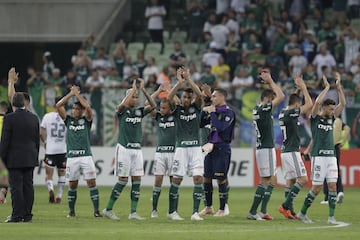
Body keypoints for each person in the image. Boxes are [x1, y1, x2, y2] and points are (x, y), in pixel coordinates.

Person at [102, 78, 156, 221]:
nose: (136, 98)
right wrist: (131, 90)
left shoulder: (139, 112)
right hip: (124, 149)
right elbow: (122, 105)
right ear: (127, 98)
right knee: (123, 180)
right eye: (133, 96)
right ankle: (108, 209)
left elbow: (153, 105)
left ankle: (133, 213)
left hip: (137, 150)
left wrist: (143, 90)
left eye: (137, 96)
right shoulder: (121, 111)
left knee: (137, 181)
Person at [297, 73, 346, 224]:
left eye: (333, 109)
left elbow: (342, 105)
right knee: (317, 188)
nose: (332, 112)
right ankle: (302, 213)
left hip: (331, 157)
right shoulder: (315, 118)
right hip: (318, 157)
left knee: (332, 186)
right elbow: (317, 102)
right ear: (324, 108)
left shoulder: (332, 118)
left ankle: (331, 217)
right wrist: (326, 88)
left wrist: (338, 88)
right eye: (330, 109)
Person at [55, 85, 101, 218]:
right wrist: (71, 94)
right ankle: (71, 211)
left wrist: (77, 95)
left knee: (91, 183)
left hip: (86, 157)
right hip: (72, 158)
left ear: (81, 111)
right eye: (73, 108)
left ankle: (96, 211)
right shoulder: (68, 121)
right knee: (73, 184)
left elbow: (88, 107)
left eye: (77, 109)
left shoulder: (86, 121)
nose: (74, 111)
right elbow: (58, 106)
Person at [247, 68, 285, 221]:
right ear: (268, 100)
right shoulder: (263, 108)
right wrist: (270, 81)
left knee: (272, 180)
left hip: (264, 147)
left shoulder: (258, 109)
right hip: (266, 148)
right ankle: (252, 211)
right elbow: (281, 96)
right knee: (265, 181)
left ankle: (262, 210)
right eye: (271, 100)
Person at [167, 67, 204, 221]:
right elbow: (169, 97)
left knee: (198, 179)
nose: (185, 100)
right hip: (181, 148)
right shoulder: (177, 110)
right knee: (177, 179)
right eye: (184, 97)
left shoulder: (196, 108)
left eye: (188, 98)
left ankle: (195, 213)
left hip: (196, 149)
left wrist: (189, 80)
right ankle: (172, 212)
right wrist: (179, 82)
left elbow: (200, 95)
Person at [0, 92, 40, 222]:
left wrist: (2, 158)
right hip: (30, 156)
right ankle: (27, 216)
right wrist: (35, 156)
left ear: (12, 104)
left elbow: (5, 141)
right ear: (24, 103)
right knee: (28, 186)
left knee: (16, 187)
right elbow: (36, 141)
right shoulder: (34, 118)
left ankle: (17, 215)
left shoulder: (9, 118)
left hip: (14, 158)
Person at [277, 75, 313, 219]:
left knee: (291, 181)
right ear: (297, 105)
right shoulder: (292, 112)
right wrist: (304, 87)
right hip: (292, 151)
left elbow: (294, 101)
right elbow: (309, 104)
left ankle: (290, 212)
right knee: (303, 179)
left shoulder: (284, 112)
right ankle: (285, 205)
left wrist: (297, 90)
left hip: (285, 151)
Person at [198, 88, 235, 217]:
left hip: (222, 147)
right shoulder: (214, 110)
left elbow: (221, 128)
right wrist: (205, 109)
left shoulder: (229, 112)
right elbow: (201, 123)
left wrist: (212, 112)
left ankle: (222, 209)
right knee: (207, 177)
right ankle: (208, 207)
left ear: (221, 97)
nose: (212, 99)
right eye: (212, 96)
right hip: (210, 147)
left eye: (214, 97)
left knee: (221, 178)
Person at [148, 84, 182, 220]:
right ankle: (154, 210)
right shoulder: (158, 117)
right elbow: (148, 102)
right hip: (160, 153)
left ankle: (172, 211)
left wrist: (169, 91)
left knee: (174, 182)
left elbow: (178, 101)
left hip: (174, 153)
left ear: (170, 108)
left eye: (164, 108)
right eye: (160, 108)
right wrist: (159, 91)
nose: (161, 110)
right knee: (158, 181)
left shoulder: (176, 116)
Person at [40, 97, 67, 204]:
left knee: (49, 175)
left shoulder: (47, 117)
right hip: (62, 150)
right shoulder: (66, 117)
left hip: (50, 150)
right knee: (62, 174)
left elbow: (41, 132)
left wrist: (45, 142)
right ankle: (59, 196)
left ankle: (51, 189)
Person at [320, 117, 350, 204]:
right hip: (336, 147)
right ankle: (340, 191)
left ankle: (327, 197)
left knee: (327, 171)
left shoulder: (325, 120)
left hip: (327, 147)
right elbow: (347, 128)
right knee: (335, 169)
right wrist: (344, 141)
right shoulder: (338, 121)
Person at [0, 101, 9, 204]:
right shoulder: (9, 120)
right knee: (6, 173)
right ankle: (3, 196)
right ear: (6, 110)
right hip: (6, 149)